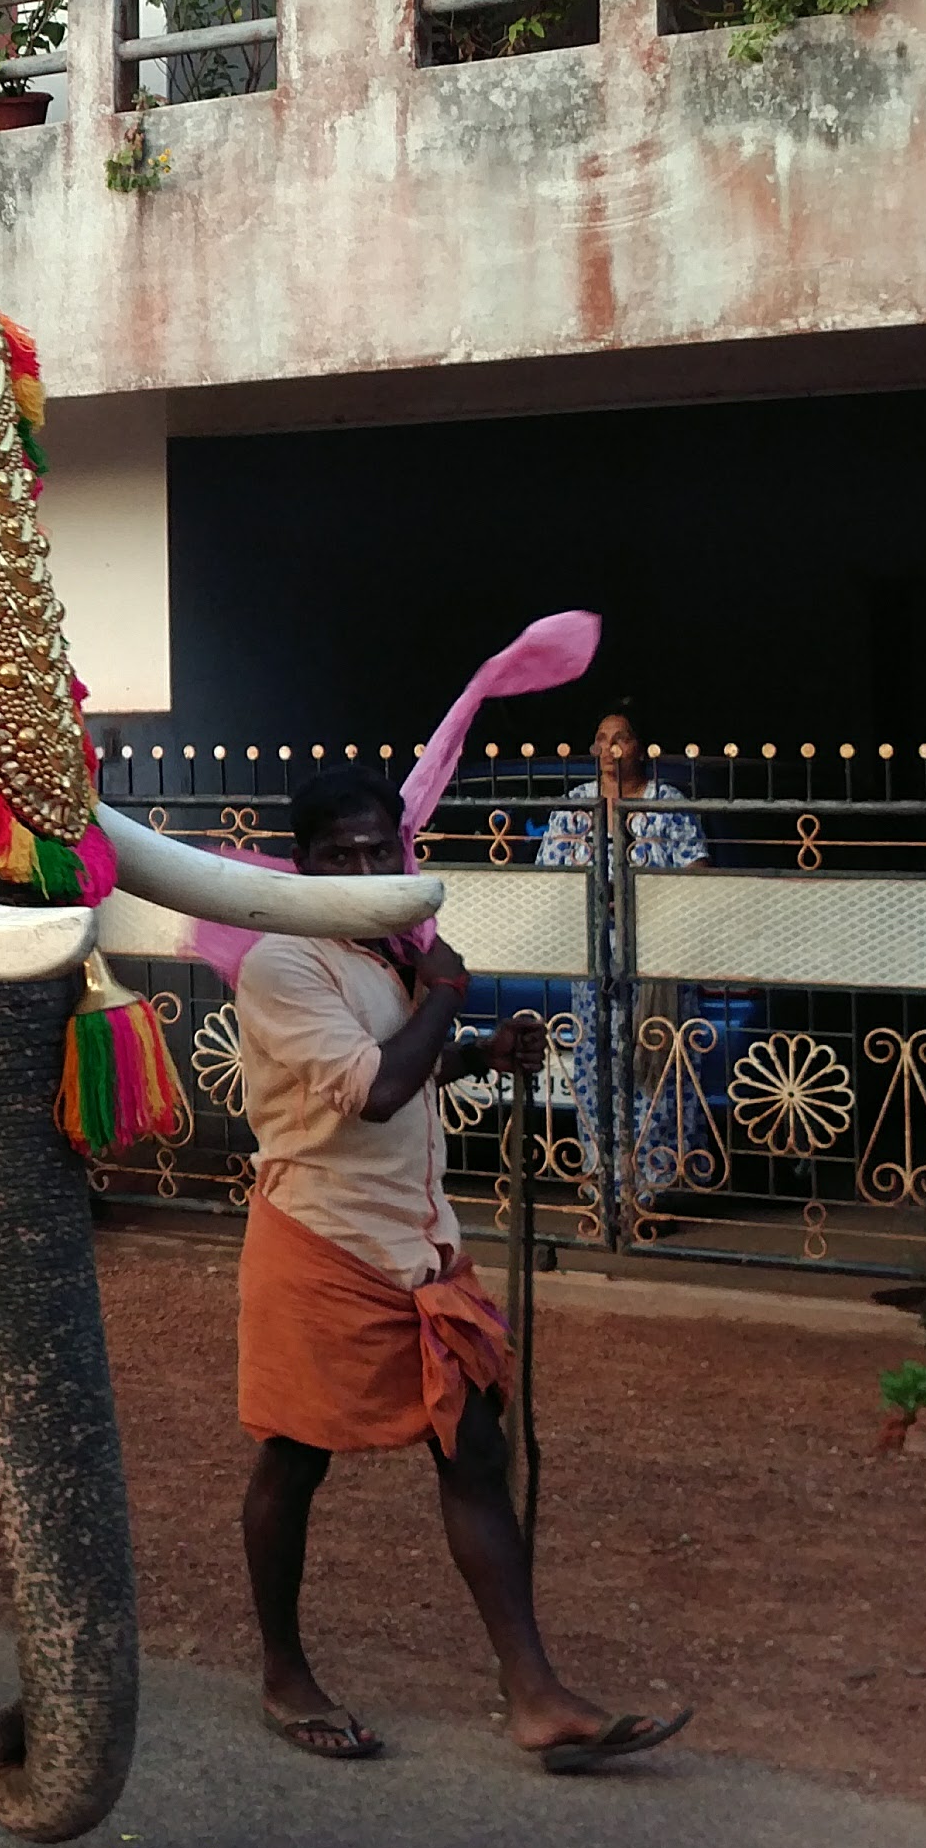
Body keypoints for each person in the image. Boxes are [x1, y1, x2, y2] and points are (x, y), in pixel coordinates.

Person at [231, 761, 685, 1776]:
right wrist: (445, 991)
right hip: (322, 1246)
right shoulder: (284, 964)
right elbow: (377, 1088)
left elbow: (414, 1058)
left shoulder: (393, 955)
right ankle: (283, 1672)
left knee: (473, 1452)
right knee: (294, 1461)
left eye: (378, 849)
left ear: (404, 852)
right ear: (299, 868)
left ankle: (536, 1697)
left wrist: (479, 1049)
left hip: (420, 1248)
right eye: (338, 854)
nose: (363, 866)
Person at [531, 708, 709, 1207]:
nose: (612, 749)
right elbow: (552, 874)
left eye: (622, 739)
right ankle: (604, 1192)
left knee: (655, 1073)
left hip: (656, 959)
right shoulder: (576, 806)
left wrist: (643, 900)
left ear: (638, 748)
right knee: (596, 1070)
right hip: (595, 968)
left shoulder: (667, 801)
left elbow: (697, 869)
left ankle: (650, 1195)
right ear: (593, 750)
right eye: (603, 739)